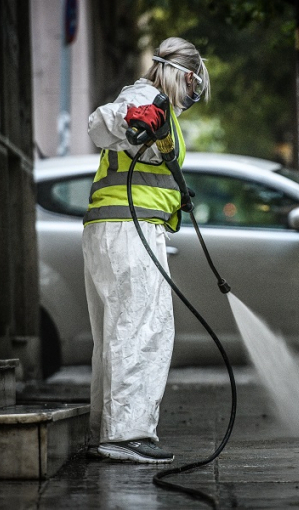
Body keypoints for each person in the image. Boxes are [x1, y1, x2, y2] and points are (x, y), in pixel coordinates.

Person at [82, 37, 210, 463]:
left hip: (114, 227)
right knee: (144, 329)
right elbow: (100, 123)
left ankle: (106, 430)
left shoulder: (159, 109)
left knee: (115, 333)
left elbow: (148, 159)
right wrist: (130, 118)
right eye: (192, 85)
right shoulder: (145, 97)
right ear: (183, 75)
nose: (192, 95)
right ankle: (126, 434)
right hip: (129, 229)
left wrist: (176, 193)